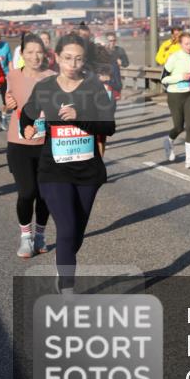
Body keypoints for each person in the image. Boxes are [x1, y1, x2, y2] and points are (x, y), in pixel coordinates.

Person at [20, 33, 116, 293]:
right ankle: (67, 290)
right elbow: (27, 114)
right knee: (66, 229)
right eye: (68, 58)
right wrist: (27, 126)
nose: (73, 64)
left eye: (79, 59)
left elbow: (109, 126)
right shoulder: (46, 87)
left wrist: (79, 116)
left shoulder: (93, 87)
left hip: (87, 172)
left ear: (85, 60)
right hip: (54, 170)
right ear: (57, 58)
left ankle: (63, 264)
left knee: (75, 236)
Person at [5, 35, 56, 256]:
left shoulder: (53, 77)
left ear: (45, 53)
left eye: (39, 52)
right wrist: (8, 104)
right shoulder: (13, 75)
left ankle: (40, 236)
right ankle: (25, 237)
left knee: (45, 193)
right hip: (19, 143)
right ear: (22, 54)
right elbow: (8, 103)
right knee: (27, 192)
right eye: (30, 52)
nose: (35, 56)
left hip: (46, 143)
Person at [161, 32, 190, 168]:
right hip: (175, 95)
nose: (189, 46)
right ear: (181, 44)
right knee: (179, 127)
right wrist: (180, 77)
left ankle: (189, 160)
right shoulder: (174, 58)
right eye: (186, 44)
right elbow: (163, 79)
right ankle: (168, 141)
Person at [0, 29, 11, 131]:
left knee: (7, 100)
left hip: (3, 74)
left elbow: (10, 61)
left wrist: (12, 75)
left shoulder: (5, 46)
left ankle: (3, 116)